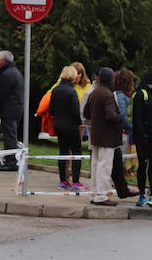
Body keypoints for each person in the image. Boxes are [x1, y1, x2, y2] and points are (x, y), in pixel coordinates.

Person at [82, 67, 122, 206]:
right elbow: (111, 116)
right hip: (107, 136)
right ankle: (101, 196)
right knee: (104, 166)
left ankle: (94, 193)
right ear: (110, 79)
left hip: (95, 134)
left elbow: (86, 114)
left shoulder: (94, 92)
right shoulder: (107, 94)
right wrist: (120, 118)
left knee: (96, 165)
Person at [132, 69, 152, 208]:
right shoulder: (141, 94)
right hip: (143, 137)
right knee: (143, 165)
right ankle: (141, 194)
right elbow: (137, 118)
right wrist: (142, 136)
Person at [49, 66, 83, 190]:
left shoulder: (56, 90)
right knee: (76, 153)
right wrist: (80, 122)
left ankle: (63, 180)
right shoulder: (71, 91)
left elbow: (51, 109)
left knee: (63, 152)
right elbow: (75, 111)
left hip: (58, 124)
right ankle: (76, 181)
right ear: (73, 76)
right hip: (71, 126)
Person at [0, 50, 24, 171]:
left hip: (9, 110)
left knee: (9, 136)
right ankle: (10, 160)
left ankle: (11, 162)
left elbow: (1, 94)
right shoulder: (14, 72)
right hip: (15, 109)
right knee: (10, 135)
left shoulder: (8, 74)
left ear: (4, 60)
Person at [113, 69, 137, 176]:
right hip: (122, 132)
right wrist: (131, 127)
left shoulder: (120, 95)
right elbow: (122, 116)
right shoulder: (122, 97)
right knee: (120, 158)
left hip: (121, 131)